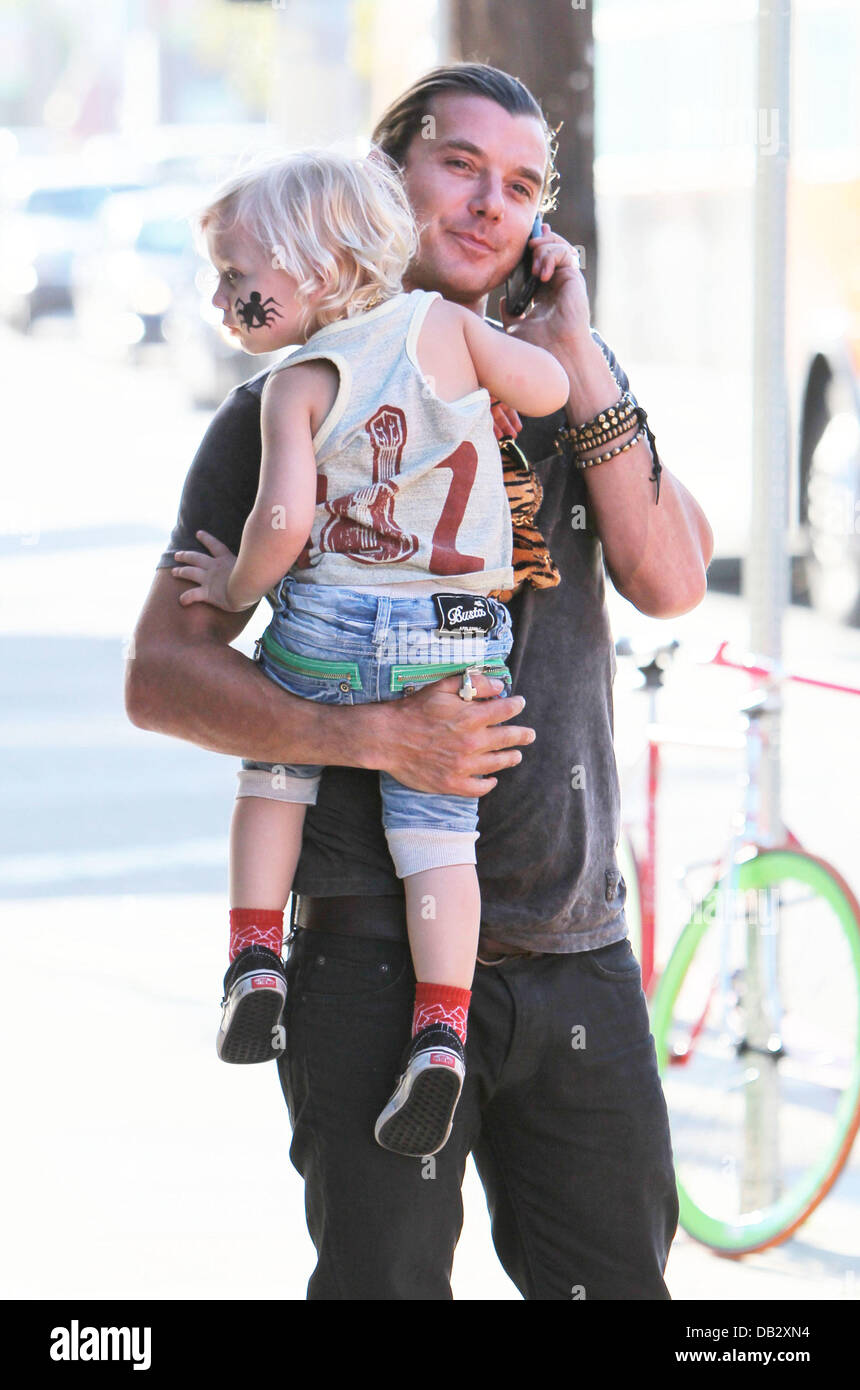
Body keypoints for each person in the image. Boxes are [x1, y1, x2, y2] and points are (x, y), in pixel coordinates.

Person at [127, 63, 714, 1299]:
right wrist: (377, 736)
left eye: (520, 185)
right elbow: (163, 678)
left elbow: (668, 576)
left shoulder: (557, 383)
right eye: (459, 164)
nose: (489, 203)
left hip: (572, 945)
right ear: (387, 170)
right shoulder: (289, 396)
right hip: (368, 960)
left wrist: (580, 352)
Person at [169, 148, 569, 1159]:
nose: (221, 297)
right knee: (437, 839)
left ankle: (254, 957)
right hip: (456, 635)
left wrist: (235, 589)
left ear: (314, 264)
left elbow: (279, 522)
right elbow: (550, 385)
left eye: (235, 274)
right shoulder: (445, 328)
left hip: (336, 628)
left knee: (275, 774)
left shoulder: (293, 383)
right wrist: (501, 367)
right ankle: (440, 1029)